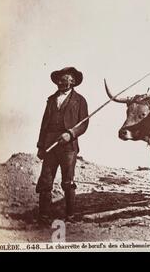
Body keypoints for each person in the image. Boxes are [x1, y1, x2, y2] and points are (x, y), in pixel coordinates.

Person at [36, 67, 89, 225]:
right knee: (45, 181)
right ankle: (44, 217)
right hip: (50, 145)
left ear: (72, 81)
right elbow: (44, 125)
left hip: (68, 147)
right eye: (59, 79)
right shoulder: (51, 99)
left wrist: (71, 134)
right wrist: (40, 146)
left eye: (64, 79)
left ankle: (70, 216)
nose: (60, 81)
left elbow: (84, 123)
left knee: (68, 182)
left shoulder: (80, 100)